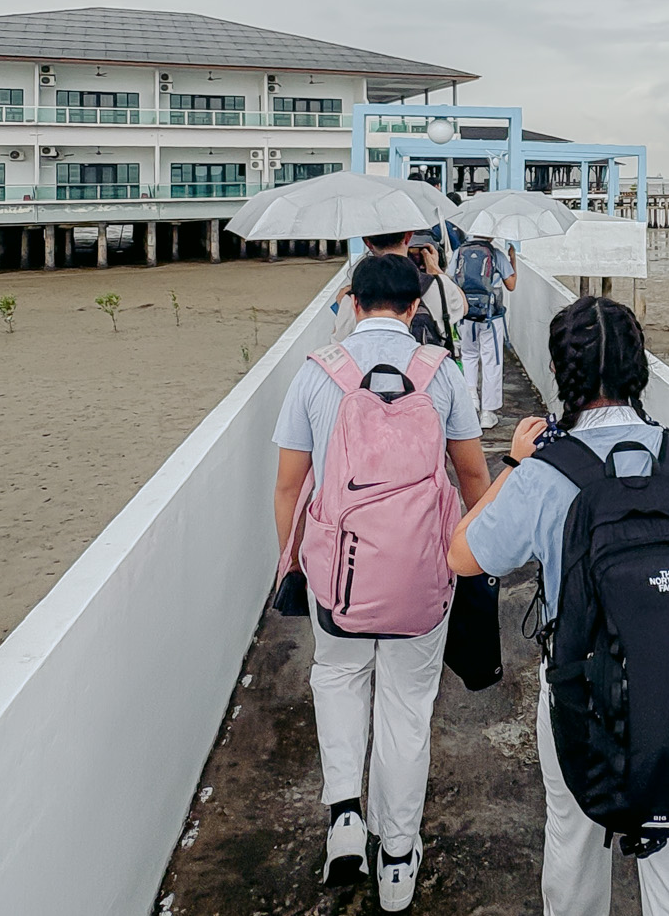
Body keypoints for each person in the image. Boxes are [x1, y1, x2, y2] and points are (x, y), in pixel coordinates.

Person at [448, 296, 669, 916]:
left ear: (561, 374)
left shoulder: (545, 473)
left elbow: (461, 554)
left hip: (583, 697)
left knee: (575, 842)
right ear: (639, 368)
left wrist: (514, 463)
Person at [274, 252, 491, 910]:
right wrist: (476, 557)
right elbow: (473, 475)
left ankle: (345, 813)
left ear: (351, 300)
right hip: (421, 576)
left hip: (337, 574)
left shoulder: (318, 372)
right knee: (406, 707)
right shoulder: (441, 371)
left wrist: (296, 563)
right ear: (415, 307)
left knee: (338, 677)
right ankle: (398, 857)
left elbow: (289, 486)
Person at [452, 232, 516, 428]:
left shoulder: (459, 252)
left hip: (466, 314)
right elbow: (511, 285)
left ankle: (471, 401)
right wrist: (513, 259)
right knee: (491, 360)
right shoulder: (496, 254)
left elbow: (450, 279)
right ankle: (488, 413)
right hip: (490, 316)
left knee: (468, 355)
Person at [329, 228, 413, 344]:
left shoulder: (355, 292)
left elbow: (338, 343)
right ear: (409, 236)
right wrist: (437, 274)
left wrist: (344, 305)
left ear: (366, 242)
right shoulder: (431, 284)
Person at [406, 232, 466, 351]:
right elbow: (464, 307)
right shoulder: (441, 285)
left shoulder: (391, 281)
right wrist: (435, 268)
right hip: (433, 355)